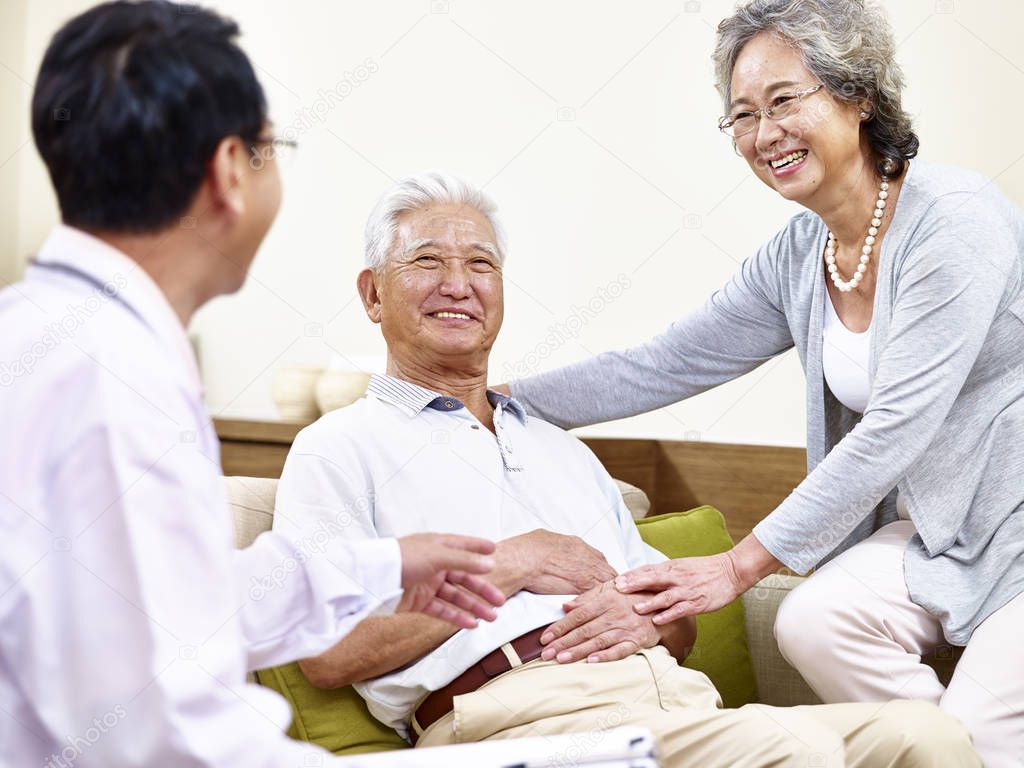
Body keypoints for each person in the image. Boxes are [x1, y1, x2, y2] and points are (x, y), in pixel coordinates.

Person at [273, 170, 980, 767]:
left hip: (672, 702)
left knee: (928, 736)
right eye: (427, 261)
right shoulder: (339, 449)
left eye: (481, 264)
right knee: (801, 756)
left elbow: (679, 628)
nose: (458, 283)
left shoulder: (560, 449)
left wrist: (647, 617)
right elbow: (324, 653)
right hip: (517, 720)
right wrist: (512, 565)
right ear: (372, 293)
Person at [502, 1, 1024, 765]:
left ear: (860, 96)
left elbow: (896, 429)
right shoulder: (799, 255)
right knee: (814, 622)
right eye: (742, 115)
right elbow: (664, 363)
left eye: (785, 100)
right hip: (951, 531)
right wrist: (488, 399)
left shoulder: (955, 221)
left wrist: (737, 565)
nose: (763, 132)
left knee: (983, 730)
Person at [0, 4, 506, 767]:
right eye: (277, 148)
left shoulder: (49, 331)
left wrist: (383, 568)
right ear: (230, 170)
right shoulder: (109, 377)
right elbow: (155, 721)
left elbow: (175, 606)